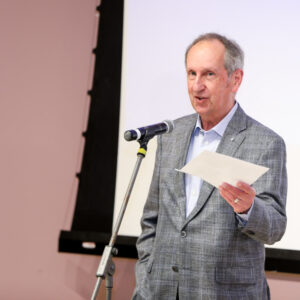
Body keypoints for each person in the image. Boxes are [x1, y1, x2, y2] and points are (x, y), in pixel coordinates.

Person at [132, 33, 287, 299]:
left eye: (209, 75)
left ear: (235, 79)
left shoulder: (265, 143)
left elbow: (274, 228)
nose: (196, 86)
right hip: (162, 292)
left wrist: (249, 208)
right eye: (191, 74)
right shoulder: (171, 134)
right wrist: (146, 280)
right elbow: (152, 220)